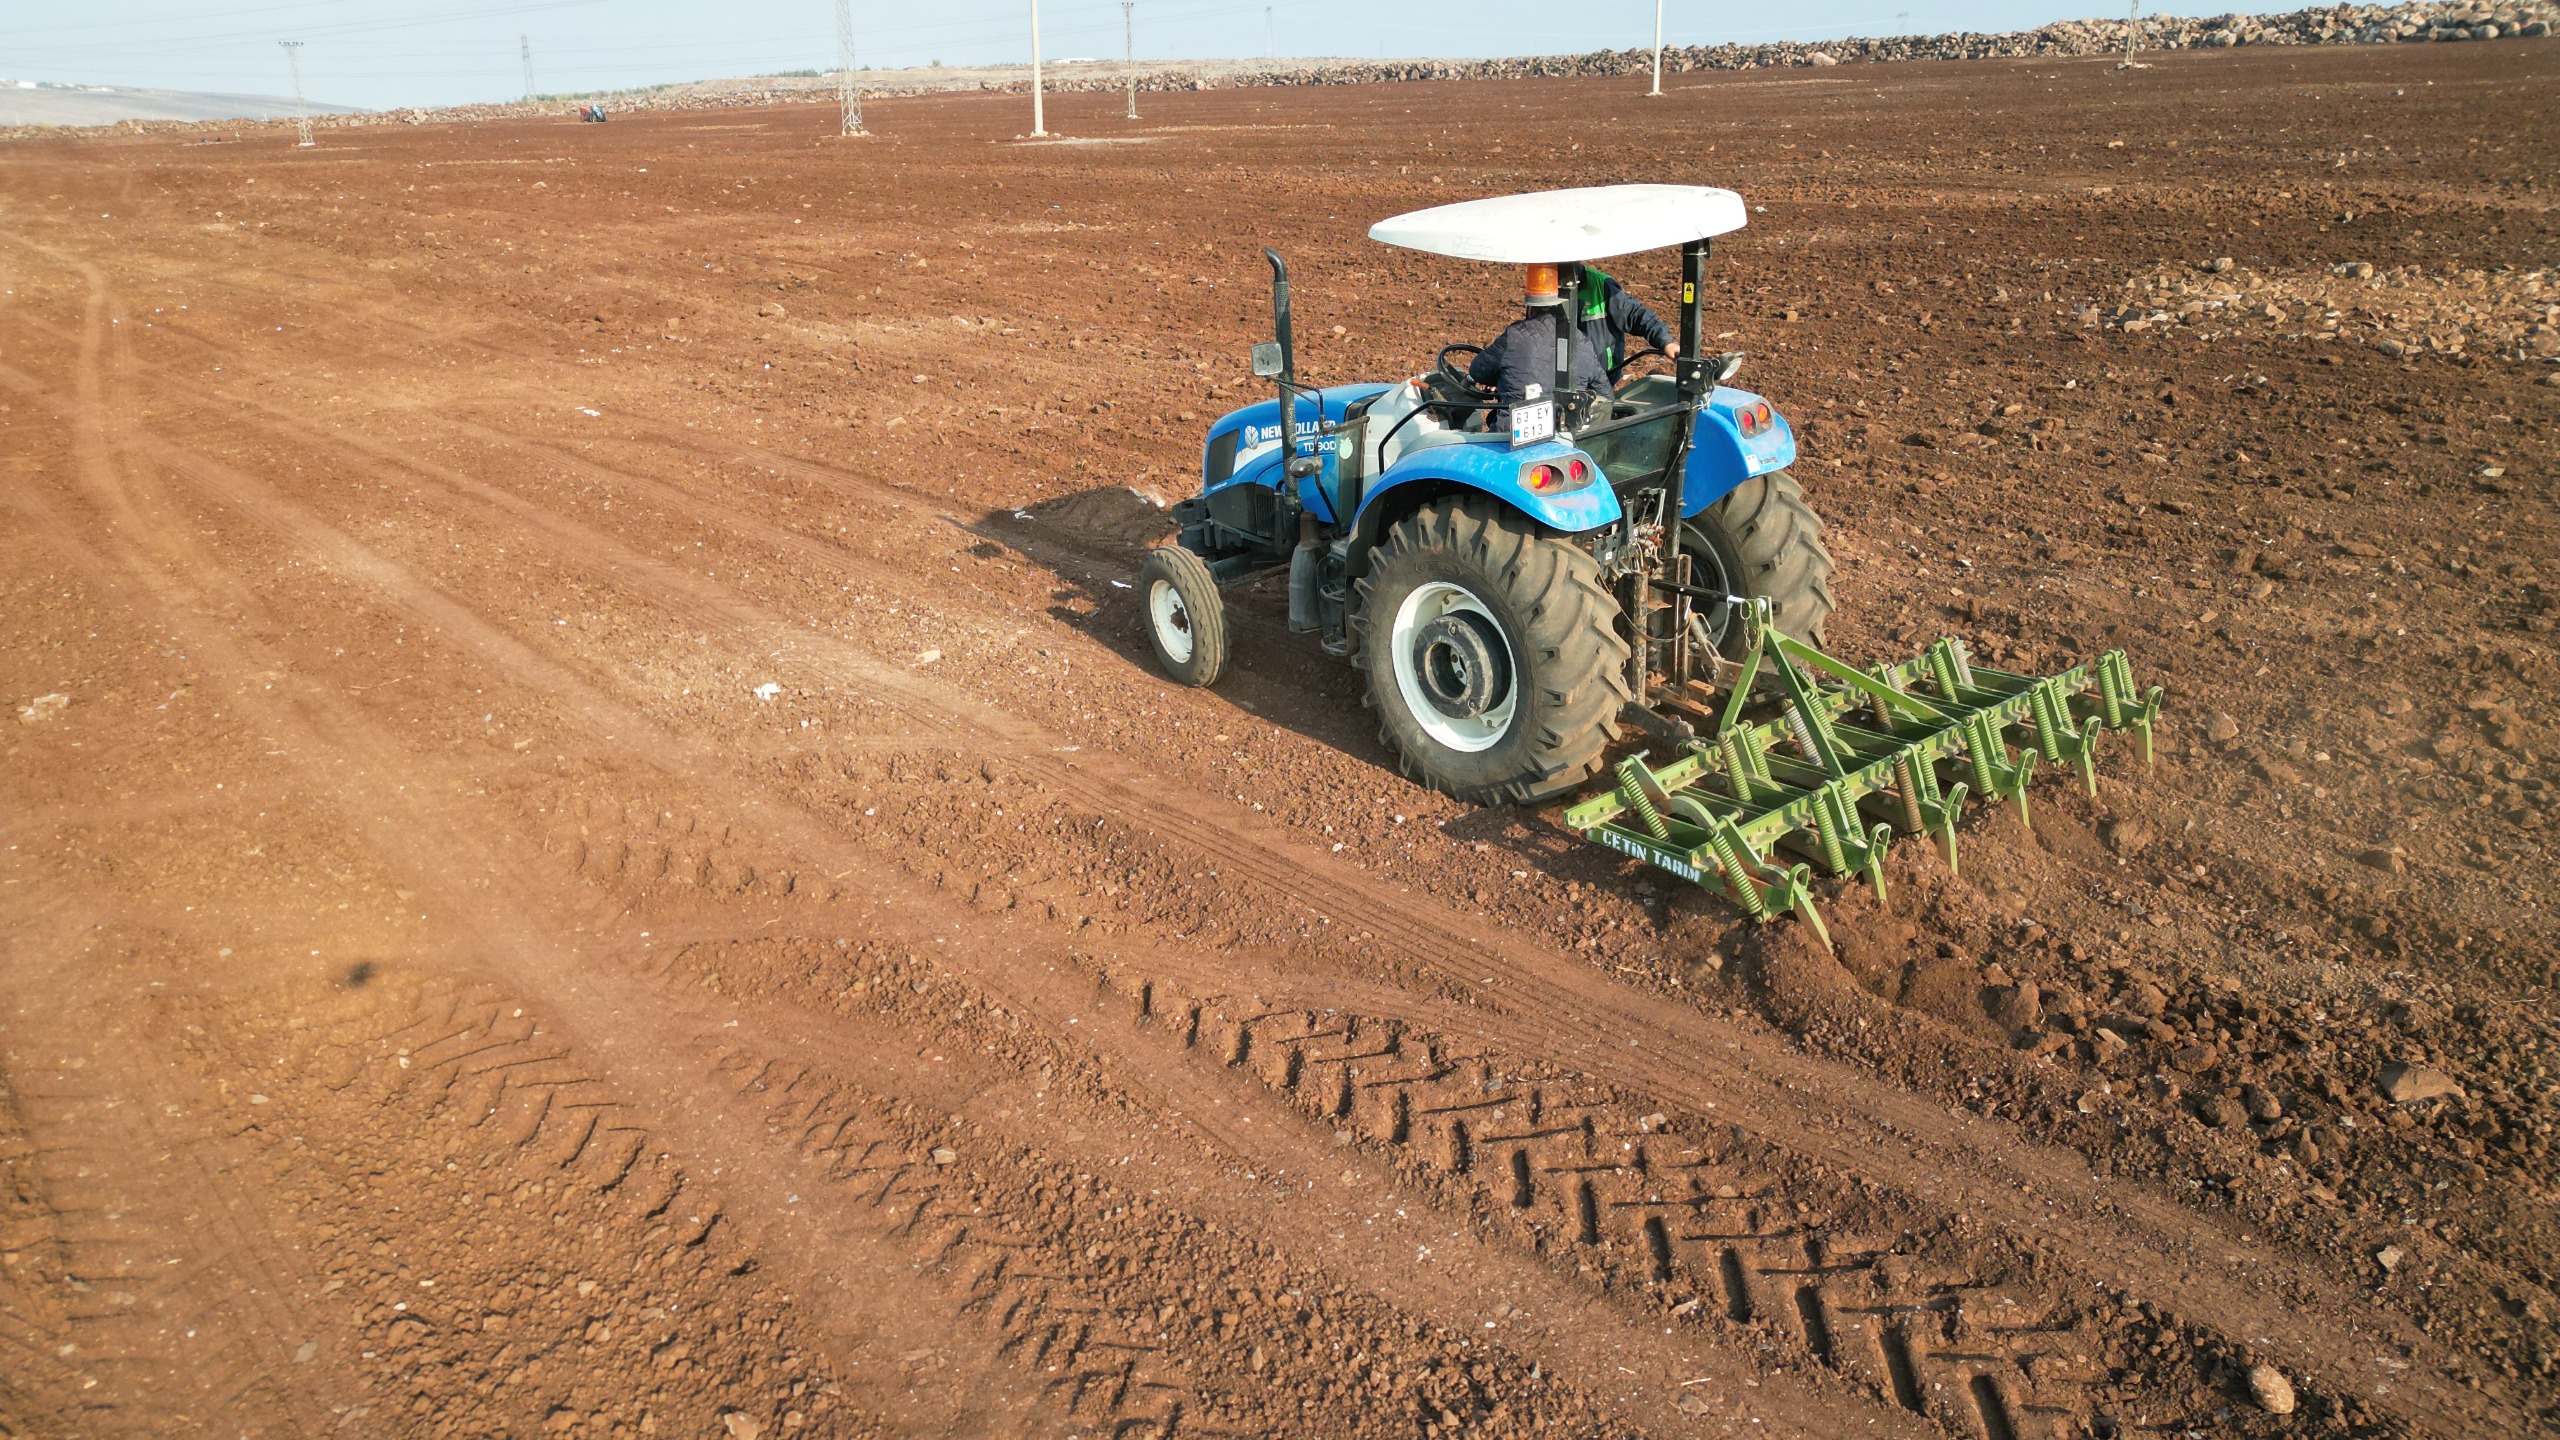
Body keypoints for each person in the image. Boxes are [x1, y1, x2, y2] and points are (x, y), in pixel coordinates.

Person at [1467, 263, 1614, 433]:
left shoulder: (1514, 335)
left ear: (1530, 309)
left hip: (1509, 438)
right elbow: (1606, 396)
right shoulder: (1582, 342)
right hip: (1566, 439)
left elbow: (1478, 371)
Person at [1572, 263, 1678, 386]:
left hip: (1599, 378)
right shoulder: (1546, 289)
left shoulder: (1601, 286)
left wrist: (1666, 342)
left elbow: (1635, 315)